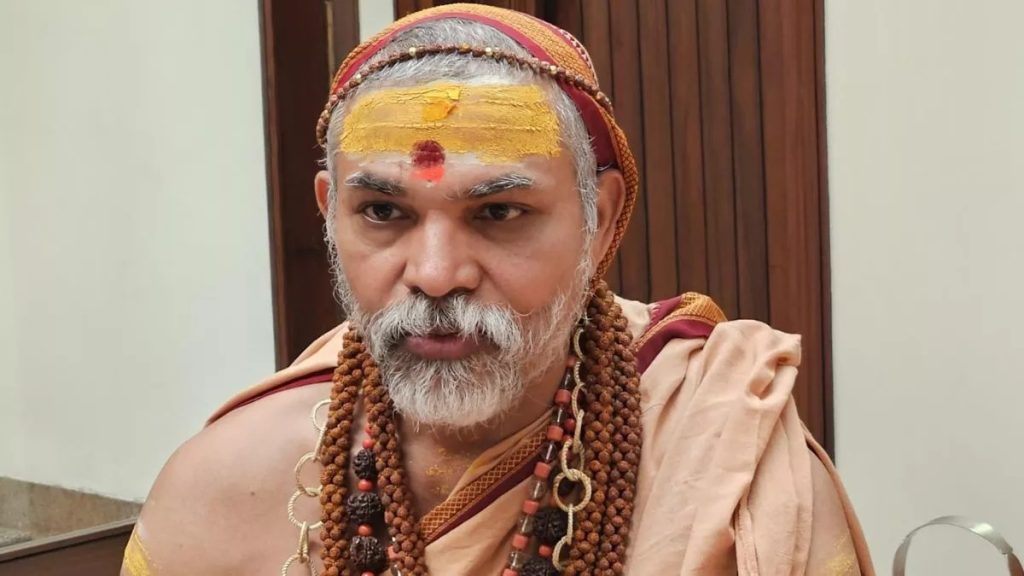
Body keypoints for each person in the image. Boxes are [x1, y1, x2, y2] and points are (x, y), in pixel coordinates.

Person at [123, 4, 874, 575]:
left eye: (498, 213)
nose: (435, 273)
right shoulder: (225, 487)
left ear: (600, 221)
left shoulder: (726, 465)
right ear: (330, 214)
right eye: (382, 212)